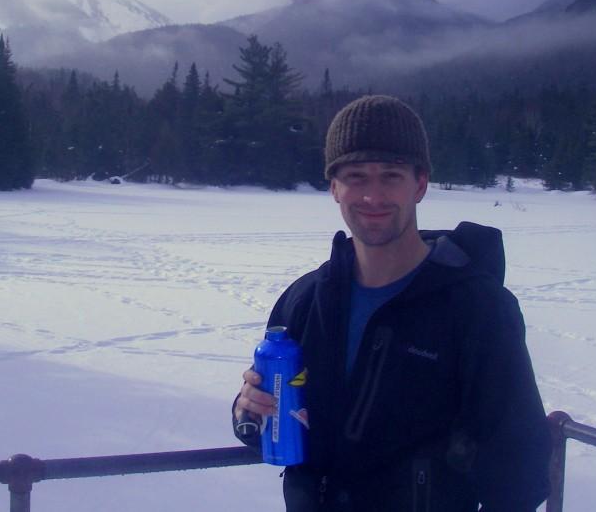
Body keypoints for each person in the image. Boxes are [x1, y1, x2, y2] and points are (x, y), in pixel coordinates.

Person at [233, 95, 550, 511]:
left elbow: (520, 466)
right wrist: (248, 411)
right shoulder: (306, 300)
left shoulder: (478, 309)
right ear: (334, 188)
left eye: (391, 176)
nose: (373, 196)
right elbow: (273, 424)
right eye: (356, 176)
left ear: (420, 184)